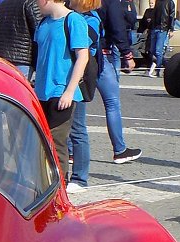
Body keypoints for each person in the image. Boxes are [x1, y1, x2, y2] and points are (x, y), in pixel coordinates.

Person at [33, 0, 90, 167]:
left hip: (61, 92)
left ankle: (61, 185)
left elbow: (83, 57)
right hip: (41, 92)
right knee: (41, 144)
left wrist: (70, 91)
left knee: (56, 145)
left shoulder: (74, 20)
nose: (36, 4)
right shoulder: (43, 22)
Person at [98, 0, 143, 162]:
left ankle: (72, 151)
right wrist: (127, 54)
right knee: (112, 104)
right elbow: (118, 28)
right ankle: (119, 149)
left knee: (77, 108)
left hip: (79, 54)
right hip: (102, 55)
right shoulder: (110, 2)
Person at [67, 0, 101, 192]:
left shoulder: (90, 20)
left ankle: (80, 178)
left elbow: (83, 48)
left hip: (78, 78)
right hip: (68, 76)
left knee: (78, 129)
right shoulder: (74, 16)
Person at [0, 0, 43, 79]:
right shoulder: (31, 3)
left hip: (1, 58)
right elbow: (40, 32)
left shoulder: (4, 4)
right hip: (23, 60)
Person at [147, 0, 175, 77]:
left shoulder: (169, 2)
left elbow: (171, 16)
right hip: (154, 28)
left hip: (163, 28)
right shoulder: (158, 1)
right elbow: (154, 14)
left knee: (158, 51)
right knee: (152, 50)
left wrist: (171, 29)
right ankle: (155, 67)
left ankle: (158, 70)